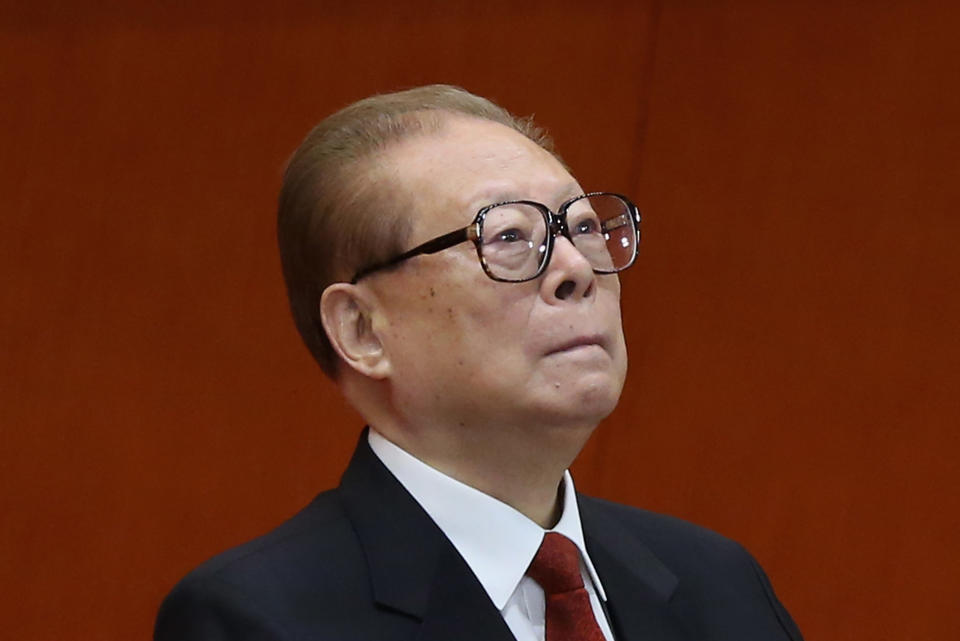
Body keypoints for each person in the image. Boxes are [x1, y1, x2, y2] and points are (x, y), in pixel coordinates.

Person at [155, 85, 803, 641]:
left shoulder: (720, 588)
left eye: (581, 227)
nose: (577, 269)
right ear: (362, 329)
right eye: (509, 237)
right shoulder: (261, 618)